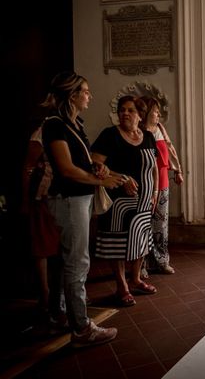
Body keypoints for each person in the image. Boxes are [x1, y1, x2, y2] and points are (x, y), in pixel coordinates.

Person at [41, 71, 120, 347]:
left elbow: (80, 163)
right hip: (69, 199)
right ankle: (82, 329)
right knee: (77, 262)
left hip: (79, 198)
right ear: (72, 95)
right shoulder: (54, 125)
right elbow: (65, 169)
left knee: (66, 261)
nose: (90, 96)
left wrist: (97, 168)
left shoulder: (74, 123)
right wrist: (104, 180)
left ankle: (59, 314)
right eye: (85, 91)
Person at [92, 96, 159, 307]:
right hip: (118, 203)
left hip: (144, 202)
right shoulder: (109, 135)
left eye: (130, 110)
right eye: (122, 110)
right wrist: (121, 178)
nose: (125, 113)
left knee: (140, 240)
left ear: (140, 115)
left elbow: (154, 167)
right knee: (117, 243)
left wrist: (155, 191)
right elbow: (94, 163)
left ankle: (136, 279)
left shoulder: (147, 136)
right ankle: (122, 286)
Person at [21, 123, 62, 325]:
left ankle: (58, 296)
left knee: (60, 248)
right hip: (41, 197)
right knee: (42, 248)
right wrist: (25, 201)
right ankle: (45, 297)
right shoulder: (42, 132)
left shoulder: (69, 129)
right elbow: (28, 167)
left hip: (61, 198)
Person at [140, 96, 183, 275]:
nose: (158, 115)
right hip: (145, 182)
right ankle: (141, 265)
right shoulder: (139, 131)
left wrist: (178, 169)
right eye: (155, 111)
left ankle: (161, 261)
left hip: (163, 180)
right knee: (143, 225)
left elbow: (170, 149)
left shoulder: (159, 129)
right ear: (146, 113)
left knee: (161, 225)